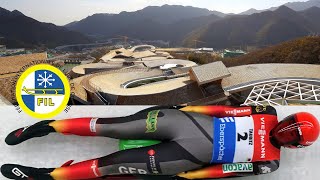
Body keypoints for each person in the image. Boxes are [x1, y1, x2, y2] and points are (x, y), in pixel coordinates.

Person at [1, 106, 319, 180]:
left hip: (186, 155)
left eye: (291, 135)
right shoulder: (266, 114)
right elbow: (224, 110)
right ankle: (45, 127)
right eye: (289, 126)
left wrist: (189, 176)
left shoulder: (269, 162)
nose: (284, 131)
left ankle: (45, 176)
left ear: (294, 145)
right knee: (112, 127)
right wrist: (189, 110)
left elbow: (228, 171)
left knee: (110, 166)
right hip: (184, 121)